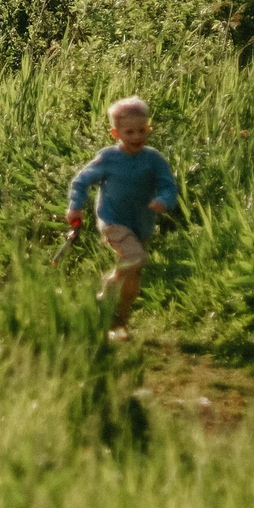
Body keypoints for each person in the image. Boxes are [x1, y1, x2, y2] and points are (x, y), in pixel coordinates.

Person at [67, 96, 180, 340]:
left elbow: (168, 185)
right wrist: (76, 206)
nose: (137, 137)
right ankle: (106, 292)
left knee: (133, 279)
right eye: (129, 132)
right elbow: (82, 181)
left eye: (142, 130)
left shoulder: (153, 159)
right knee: (136, 257)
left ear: (148, 129)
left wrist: (164, 200)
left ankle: (117, 322)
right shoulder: (109, 158)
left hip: (142, 224)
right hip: (112, 220)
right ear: (115, 133)